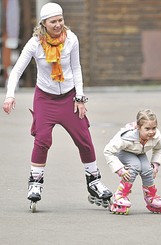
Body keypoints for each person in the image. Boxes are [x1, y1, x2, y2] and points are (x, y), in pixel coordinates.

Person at [2, 2, 112, 211]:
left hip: (70, 97)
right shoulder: (35, 43)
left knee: (84, 139)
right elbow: (16, 71)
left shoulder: (71, 39)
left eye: (60, 20)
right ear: (44, 23)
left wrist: (80, 97)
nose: (58, 24)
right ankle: (35, 183)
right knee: (42, 140)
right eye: (53, 21)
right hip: (45, 99)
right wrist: (9, 96)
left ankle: (94, 182)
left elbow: (76, 68)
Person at [104, 109, 161, 215]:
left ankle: (151, 196)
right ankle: (120, 195)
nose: (151, 132)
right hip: (124, 152)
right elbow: (108, 151)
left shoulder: (156, 136)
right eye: (147, 129)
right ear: (138, 127)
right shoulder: (126, 137)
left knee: (148, 170)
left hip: (139, 152)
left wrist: (155, 164)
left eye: (154, 128)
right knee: (134, 166)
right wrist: (120, 170)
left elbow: (160, 148)